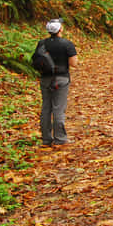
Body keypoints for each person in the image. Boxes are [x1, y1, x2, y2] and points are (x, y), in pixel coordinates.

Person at [37, 18, 78, 147]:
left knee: (46, 107)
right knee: (58, 108)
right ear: (60, 29)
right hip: (61, 79)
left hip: (45, 78)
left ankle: (46, 139)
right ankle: (60, 138)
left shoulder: (41, 43)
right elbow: (74, 63)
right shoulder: (67, 44)